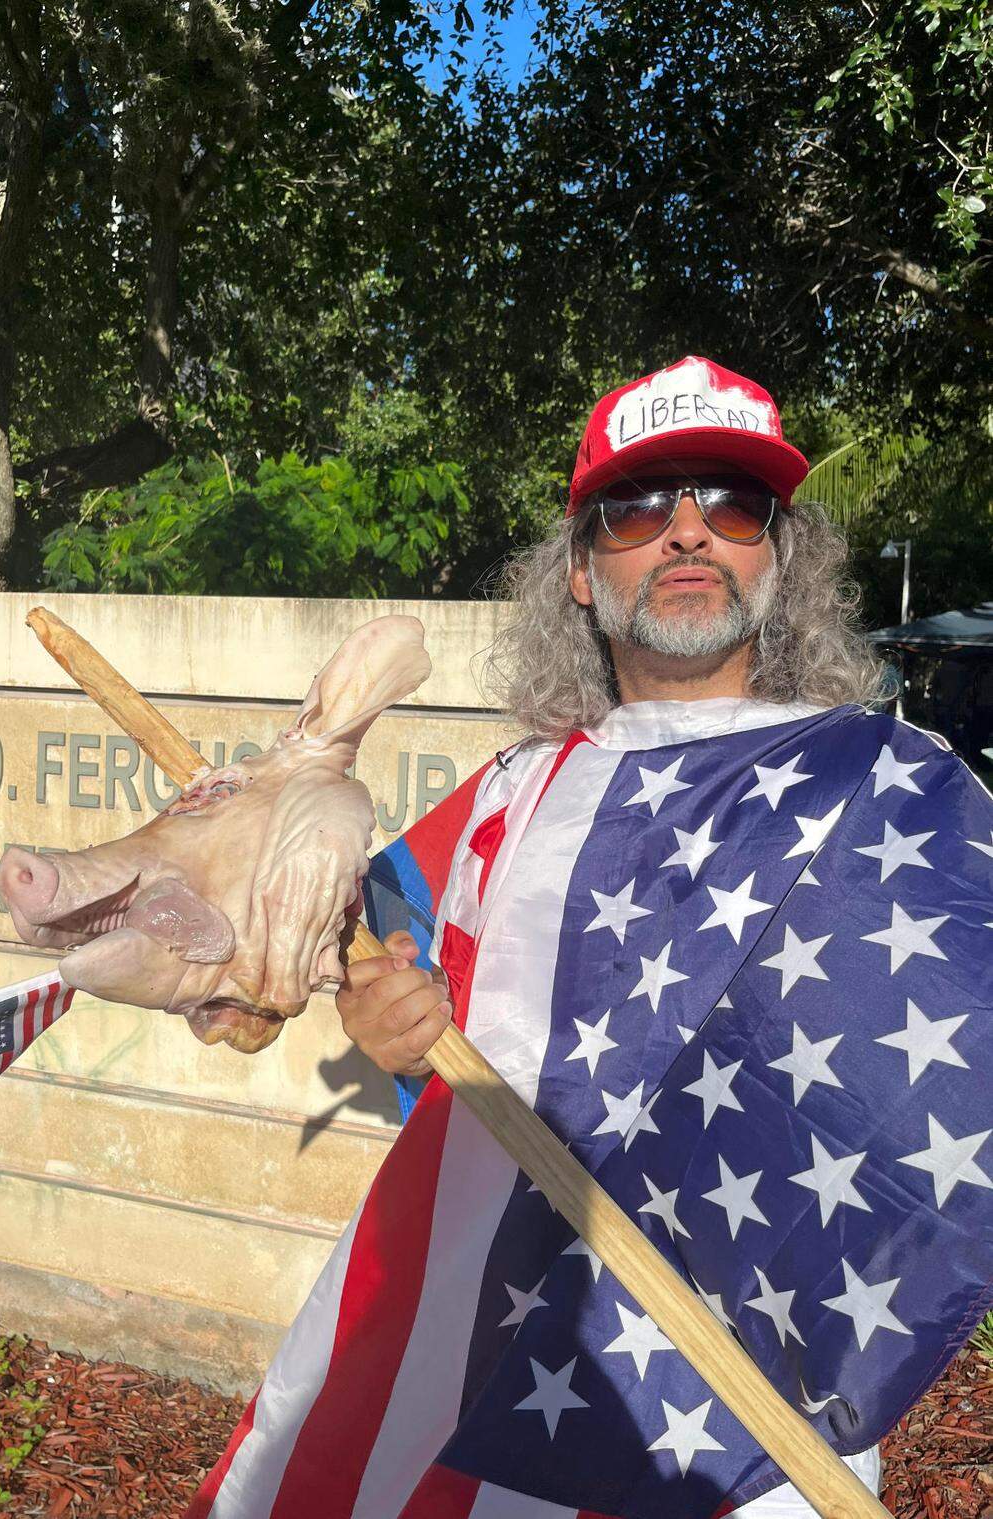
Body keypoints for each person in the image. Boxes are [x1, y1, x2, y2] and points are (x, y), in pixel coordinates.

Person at [187, 356, 993, 1519]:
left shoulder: (897, 785)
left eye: (729, 504)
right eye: (636, 506)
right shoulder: (510, 799)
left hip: (768, 1404)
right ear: (577, 570)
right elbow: (320, 955)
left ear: (780, 554)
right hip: (516, 1342)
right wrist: (386, 1024)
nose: (683, 533)